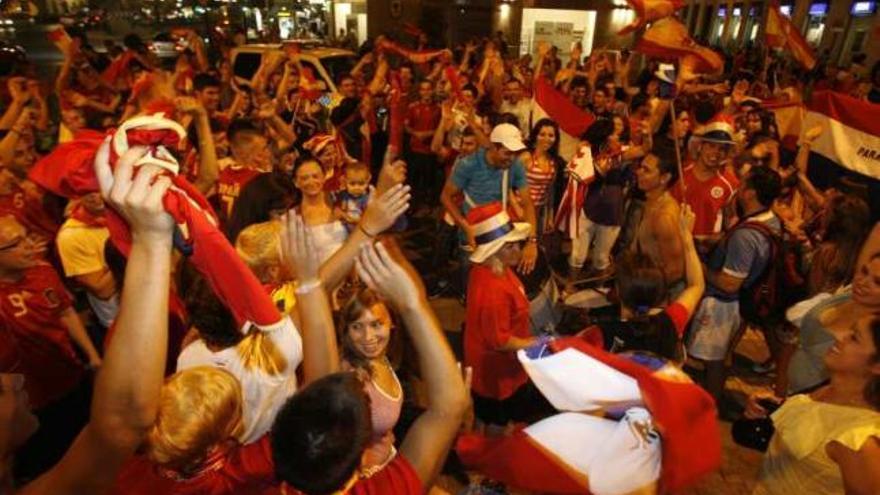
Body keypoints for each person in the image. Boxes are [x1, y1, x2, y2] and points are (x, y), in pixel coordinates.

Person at [1, 144, 176, 494]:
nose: (16, 381)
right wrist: (151, 240)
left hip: (70, 375)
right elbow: (123, 422)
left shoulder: (40, 272)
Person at [745, 313, 880, 494]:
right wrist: (773, 406)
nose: (840, 337)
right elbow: (813, 426)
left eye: (854, 337)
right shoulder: (829, 391)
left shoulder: (859, 440)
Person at [688, 166, 783, 402]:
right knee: (720, 354)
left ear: (750, 194)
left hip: (724, 305)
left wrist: (700, 267)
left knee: (713, 358)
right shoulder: (770, 220)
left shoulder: (746, 237)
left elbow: (730, 283)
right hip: (741, 303)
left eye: (743, 185)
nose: (737, 188)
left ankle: (710, 402)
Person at [462, 203, 552, 430]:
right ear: (492, 250)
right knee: (497, 422)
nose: (518, 252)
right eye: (509, 247)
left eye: (516, 245)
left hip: (497, 363)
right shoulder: (494, 290)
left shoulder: (494, 269)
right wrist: (533, 343)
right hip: (496, 372)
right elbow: (499, 341)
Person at [597, 204, 704, 360]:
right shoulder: (670, 323)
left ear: (618, 291)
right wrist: (686, 237)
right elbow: (697, 285)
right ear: (660, 294)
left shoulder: (601, 333)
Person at [441, 123, 539, 275]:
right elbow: (446, 197)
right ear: (494, 147)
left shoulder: (515, 165)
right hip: (474, 237)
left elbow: (527, 204)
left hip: (501, 236)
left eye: (515, 153)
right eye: (507, 153)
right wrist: (466, 227)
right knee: (472, 281)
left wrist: (532, 242)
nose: (512, 159)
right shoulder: (468, 164)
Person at [336, 288, 403, 474]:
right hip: (366, 475)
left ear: (392, 323)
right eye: (357, 326)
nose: (368, 337)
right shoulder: (350, 377)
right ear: (346, 330)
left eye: (376, 324)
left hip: (387, 459)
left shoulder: (381, 357)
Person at [672, 117, 739, 250]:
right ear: (700, 146)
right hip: (673, 243)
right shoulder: (679, 173)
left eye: (722, 149)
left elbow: (731, 221)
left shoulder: (731, 183)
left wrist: (716, 238)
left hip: (705, 251)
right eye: (711, 146)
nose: (716, 153)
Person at [55, 192, 118, 328]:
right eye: (86, 191)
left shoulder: (127, 212)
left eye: (97, 187)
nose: (94, 195)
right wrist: (132, 245)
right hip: (121, 317)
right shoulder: (71, 236)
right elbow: (103, 290)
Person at [631, 143, 685, 293]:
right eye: (640, 167)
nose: (638, 172)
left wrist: (637, 291)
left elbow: (675, 271)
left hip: (656, 296)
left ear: (664, 178)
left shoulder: (664, 217)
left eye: (646, 170)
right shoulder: (651, 203)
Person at [521, 118, 563, 239]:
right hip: (520, 210)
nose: (547, 139)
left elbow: (550, 191)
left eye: (551, 135)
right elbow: (508, 185)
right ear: (535, 136)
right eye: (542, 134)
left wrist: (549, 216)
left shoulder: (553, 162)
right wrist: (517, 209)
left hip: (538, 214)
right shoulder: (526, 157)